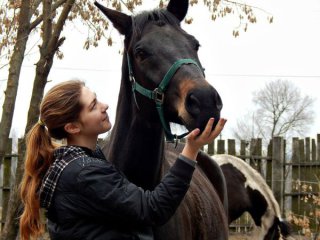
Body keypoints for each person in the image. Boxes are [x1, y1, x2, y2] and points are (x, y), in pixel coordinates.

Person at [19, 79, 227, 240]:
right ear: (73, 127)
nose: (105, 106)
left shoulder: (73, 166)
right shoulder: (84, 173)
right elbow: (152, 209)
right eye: (93, 106)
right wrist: (191, 150)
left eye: (97, 99)